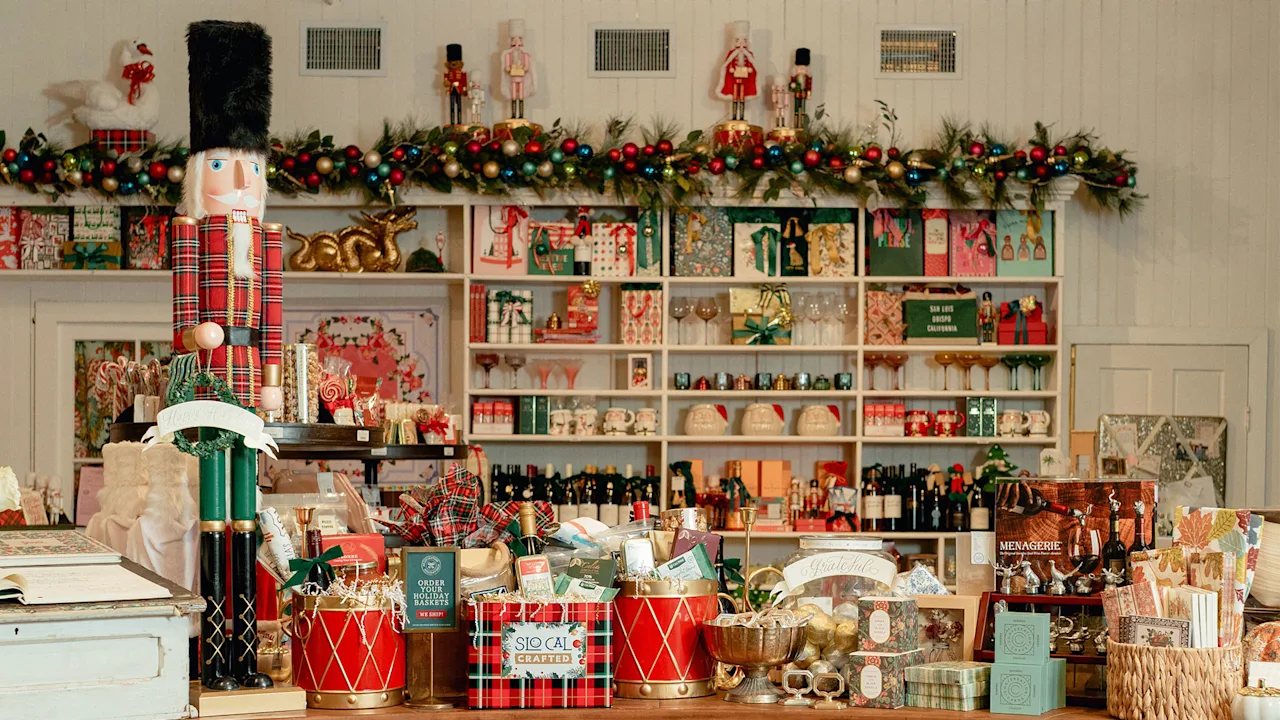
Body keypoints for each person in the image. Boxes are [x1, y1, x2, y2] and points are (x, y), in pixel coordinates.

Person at [173, 20, 282, 691]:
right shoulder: (190, 234)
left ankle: (246, 658)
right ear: (199, 172)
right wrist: (198, 338)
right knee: (213, 511)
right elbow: (182, 321)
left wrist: (272, 381)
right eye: (221, 165)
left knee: (247, 511)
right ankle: (215, 661)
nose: (240, 177)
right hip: (210, 386)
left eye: (250, 167)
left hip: (247, 382)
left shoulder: (266, 240)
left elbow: (272, 322)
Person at [716, 21, 757, 121]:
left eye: (744, 40)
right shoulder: (732, 53)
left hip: (744, 79)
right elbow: (728, 63)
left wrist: (749, 69)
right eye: (739, 40)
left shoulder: (749, 54)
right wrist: (731, 68)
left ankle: (741, 116)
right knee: (735, 96)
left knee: (742, 97)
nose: (741, 43)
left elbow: (751, 64)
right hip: (734, 79)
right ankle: (734, 116)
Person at [502, 19, 537, 119]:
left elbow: (526, 67)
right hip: (513, 78)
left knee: (521, 96)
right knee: (513, 95)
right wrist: (510, 69)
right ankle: (513, 115)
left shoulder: (524, 54)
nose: (516, 44)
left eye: (519, 40)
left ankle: (521, 115)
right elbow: (507, 67)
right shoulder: (508, 54)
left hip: (521, 78)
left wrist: (522, 68)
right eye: (514, 40)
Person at [442, 44, 467, 126]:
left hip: (459, 89)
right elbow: (445, 81)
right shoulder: (447, 73)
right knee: (452, 106)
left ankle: (459, 122)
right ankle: (452, 122)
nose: (453, 63)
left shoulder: (462, 74)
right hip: (451, 89)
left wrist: (464, 89)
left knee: (459, 106)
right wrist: (447, 84)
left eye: (455, 61)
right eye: (451, 61)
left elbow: (464, 82)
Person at [789, 48, 812, 129]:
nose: (802, 69)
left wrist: (809, 93)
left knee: (802, 109)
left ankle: (801, 125)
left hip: (804, 92)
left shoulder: (807, 75)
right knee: (796, 108)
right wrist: (793, 86)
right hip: (797, 92)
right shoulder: (795, 73)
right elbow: (792, 81)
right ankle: (796, 124)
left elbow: (809, 84)